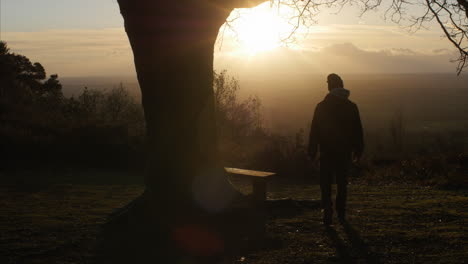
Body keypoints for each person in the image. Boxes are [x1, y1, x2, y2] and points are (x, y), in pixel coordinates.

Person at [308, 73, 364, 225]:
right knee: (342, 183)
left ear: (329, 86)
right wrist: (358, 150)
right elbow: (357, 130)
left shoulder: (322, 106)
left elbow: (315, 130)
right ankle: (341, 212)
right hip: (344, 151)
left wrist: (312, 152)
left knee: (325, 183)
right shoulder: (351, 107)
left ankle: (327, 211)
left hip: (327, 151)